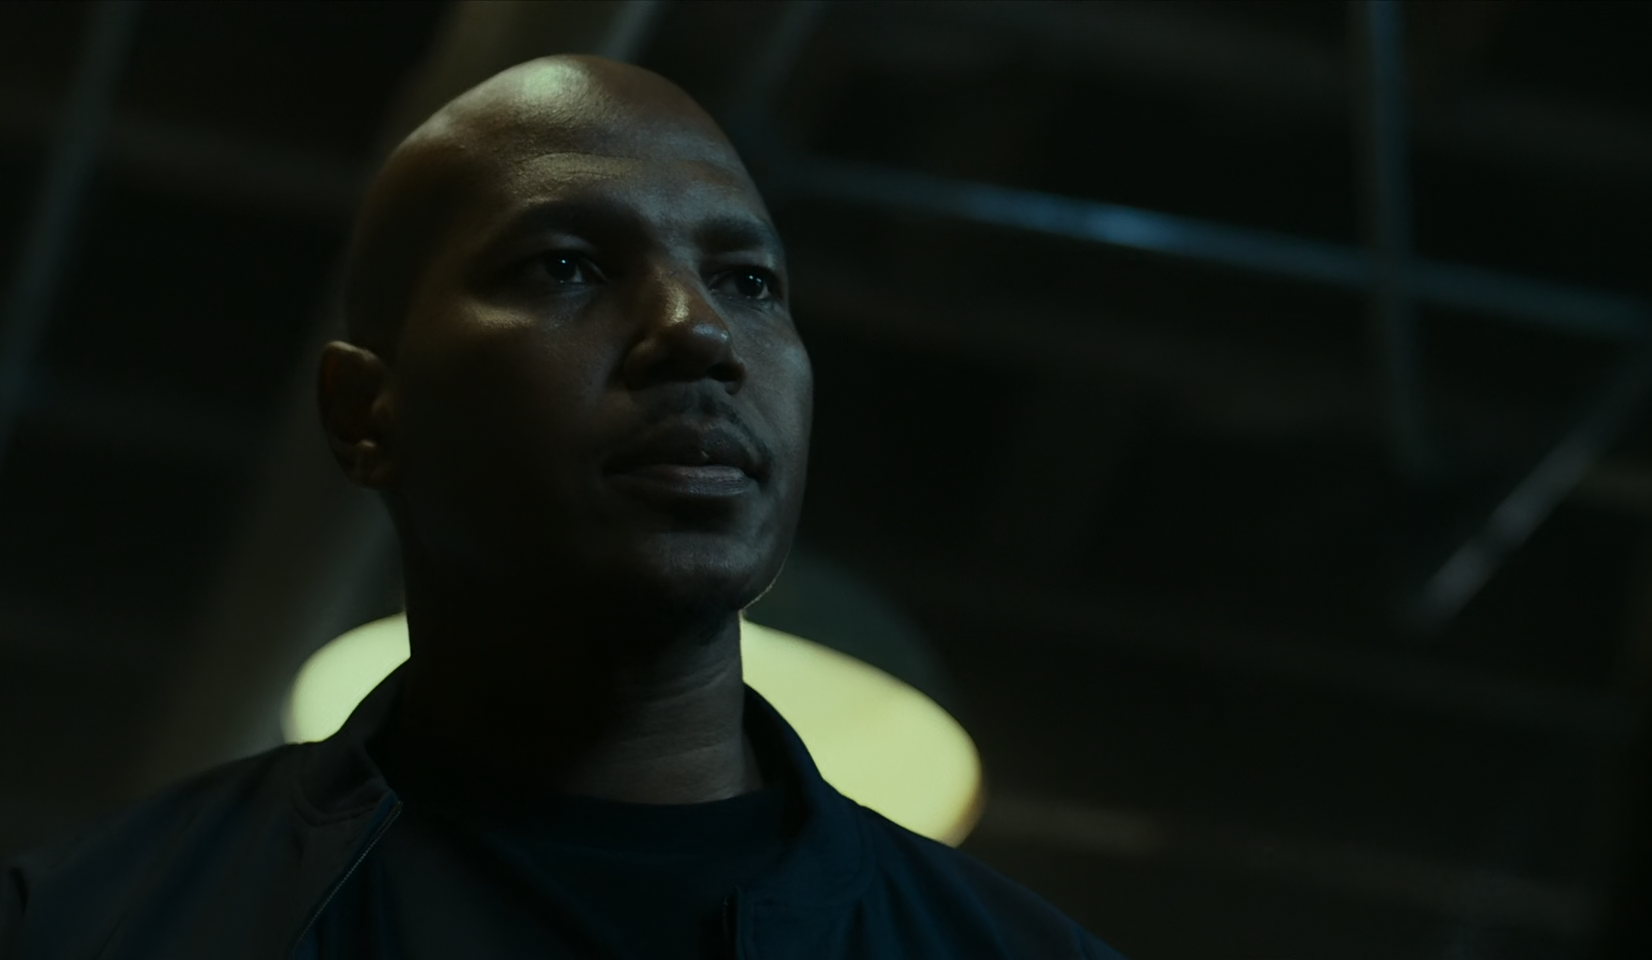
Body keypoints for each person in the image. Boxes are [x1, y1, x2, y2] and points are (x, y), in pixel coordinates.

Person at [0, 55, 1123, 960]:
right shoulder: (85, 931)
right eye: (566, 266)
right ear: (364, 412)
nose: (698, 330)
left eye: (747, 281)